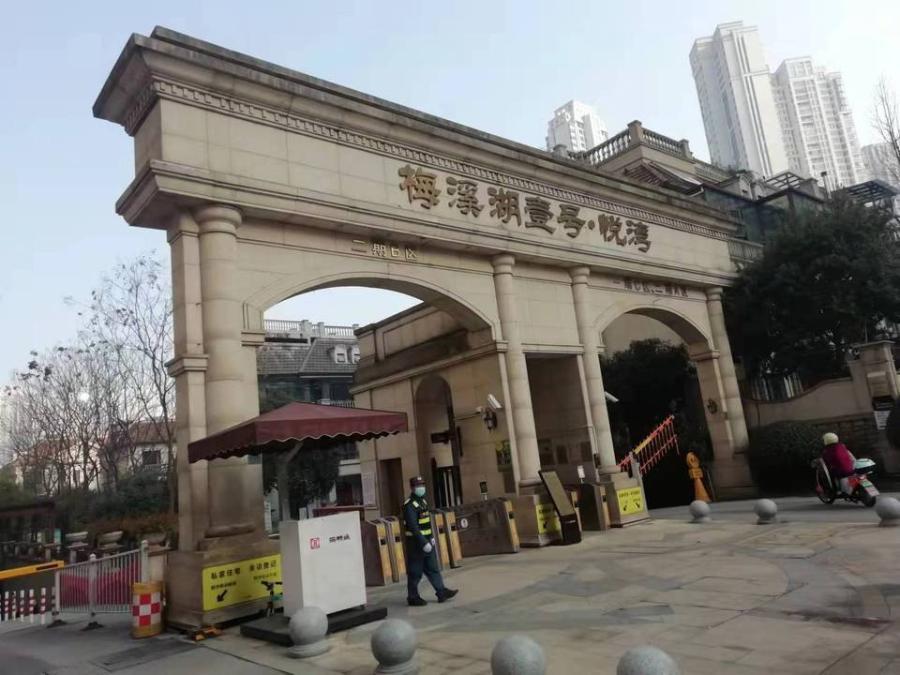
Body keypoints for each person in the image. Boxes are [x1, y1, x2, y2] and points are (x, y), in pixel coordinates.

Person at [403, 476, 458, 606]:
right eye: (418, 485)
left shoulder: (423, 502)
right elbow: (413, 527)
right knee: (415, 572)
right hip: (416, 544)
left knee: (433, 568)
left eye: (422, 485)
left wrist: (431, 538)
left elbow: (426, 523)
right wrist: (423, 542)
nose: (421, 488)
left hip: (427, 542)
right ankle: (413, 597)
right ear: (412, 488)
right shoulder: (409, 505)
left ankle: (441, 592)